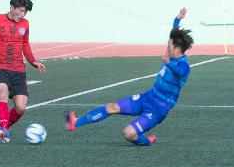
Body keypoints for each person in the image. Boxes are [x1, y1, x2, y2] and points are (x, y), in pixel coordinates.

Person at [64, 8, 193, 146]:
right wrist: (177, 19)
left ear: (178, 49)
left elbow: (180, 72)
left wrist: (168, 63)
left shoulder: (183, 65)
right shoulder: (173, 50)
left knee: (128, 133)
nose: (167, 47)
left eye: (169, 46)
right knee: (111, 107)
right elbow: (173, 34)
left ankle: (147, 141)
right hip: (147, 97)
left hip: (158, 109)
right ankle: (75, 122)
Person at [0, 0, 46, 143]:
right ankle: (3, 129)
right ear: (12, 7)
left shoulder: (25, 24)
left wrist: (33, 62)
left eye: (25, 12)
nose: (22, 14)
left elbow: (25, 44)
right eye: (21, 10)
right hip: (0, 67)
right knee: (2, 93)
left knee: (20, 108)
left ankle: (5, 128)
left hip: (18, 70)